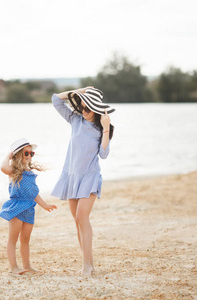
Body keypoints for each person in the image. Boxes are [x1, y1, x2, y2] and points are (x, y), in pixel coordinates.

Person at [51, 87, 115, 276]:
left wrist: (105, 127)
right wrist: (81, 91)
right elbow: (56, 99)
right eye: (82, 107)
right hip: (71, 176)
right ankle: (88, 264)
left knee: (81, 218)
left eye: (88, 108)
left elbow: (104, 154)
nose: (84, 111)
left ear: (96, 109)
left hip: (89, 177)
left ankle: (87, 266)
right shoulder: (75, 120)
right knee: (77, 221)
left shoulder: (101, 127)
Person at [0, 138, 57, 275]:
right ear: (18, 155)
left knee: (25, 240)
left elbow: (34, 193)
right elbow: (2, 167)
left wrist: (44, 205)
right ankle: (14, 268)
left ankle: (27, 266)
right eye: (26, 153)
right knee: (13, 239)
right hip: (17, 207)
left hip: (30, 208)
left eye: (32, 154)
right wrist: (8, 155)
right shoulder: (13, 170)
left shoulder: (30, 173)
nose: (29, 156)